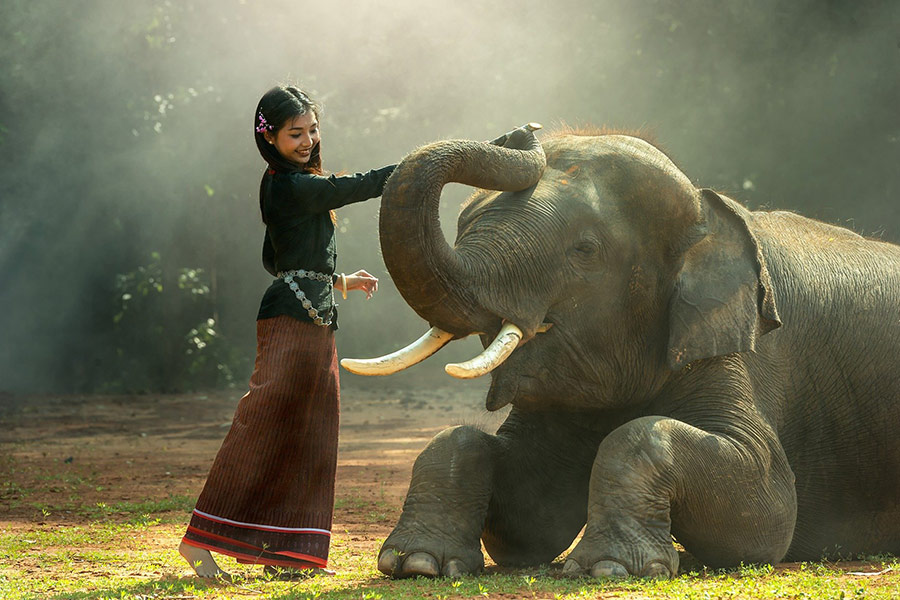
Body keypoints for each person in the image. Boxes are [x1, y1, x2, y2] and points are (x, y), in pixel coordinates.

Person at [178, 85, 395, 580]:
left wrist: (336, 280)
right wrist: (418, 169)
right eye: (295, 133)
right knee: (261, 424)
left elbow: (275, 256)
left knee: (313, 433)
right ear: (269, 138)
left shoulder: (294, 185)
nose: (308, 140)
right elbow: (353, 186)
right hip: (290, 319)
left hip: (314, 318)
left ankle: (289, 552)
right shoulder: (287, 185)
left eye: (313, 130)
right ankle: (199, 541)